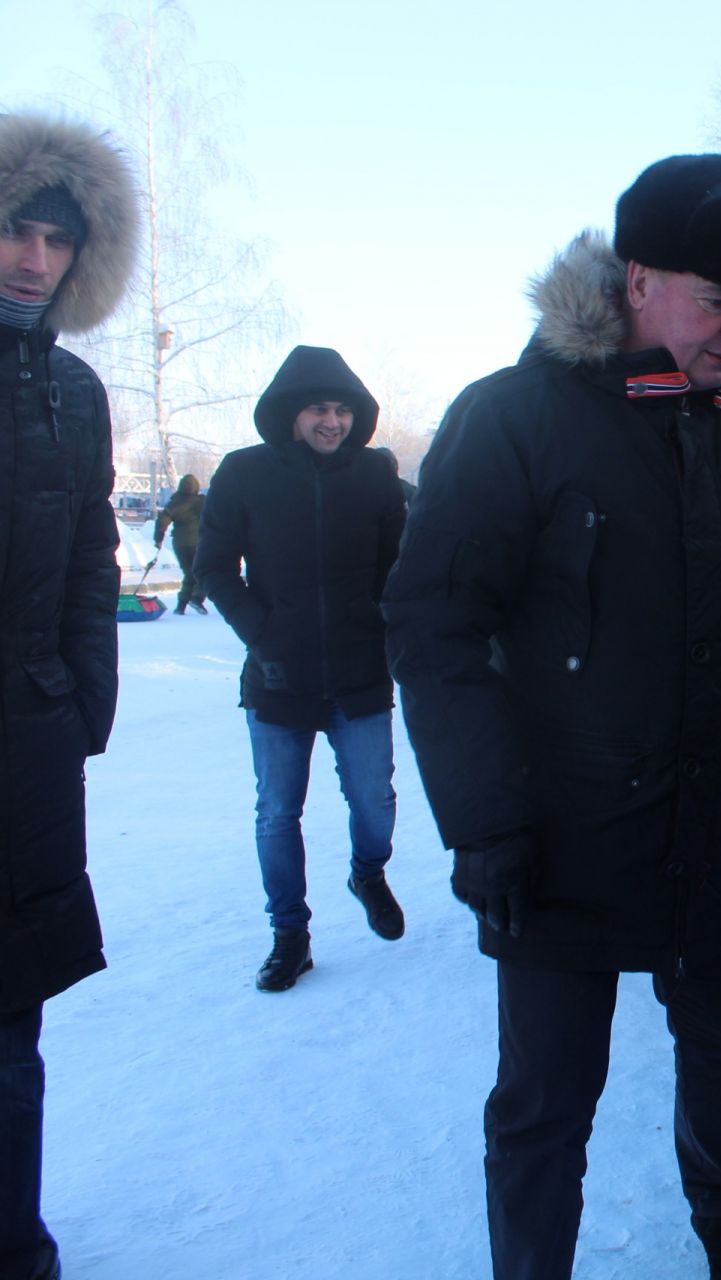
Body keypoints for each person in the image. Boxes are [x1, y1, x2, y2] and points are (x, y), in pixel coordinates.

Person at [381, 154, 721, 1280]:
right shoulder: (513, 417)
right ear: (637, 277)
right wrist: (485, 818)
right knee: (546, 1094)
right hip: (560, 828)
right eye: (717, 301)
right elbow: (434, 623)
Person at [0, 111, 136, 1280]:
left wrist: (83, 690)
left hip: (26, 739)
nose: (32, 258)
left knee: (11, 1027)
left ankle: (15, 1241)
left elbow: (93, 545)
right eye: (12, 230)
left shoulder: (78, 392)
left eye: (54, 238)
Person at [196, 346, 410, 992]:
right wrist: (262, 635)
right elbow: (213, 568)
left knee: (374, 798)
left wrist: (383, 622)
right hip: (277, 675)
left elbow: (399, 565)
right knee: (277, 813)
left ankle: (368, 872)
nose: (332, 421)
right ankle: (289, 934)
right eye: (319, 408)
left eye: (343, 409)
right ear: (291, 413)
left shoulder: (376, 476)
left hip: (359, 671)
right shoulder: (243, 474)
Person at [148, 473, 207, 613]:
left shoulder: (174, 503)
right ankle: (197, 598)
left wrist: (158, 539)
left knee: (189, 573)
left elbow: (162, 522)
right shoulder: (203, 502)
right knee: (203, 572)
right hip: (199, 543)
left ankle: (181, 606)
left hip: (180, 545)